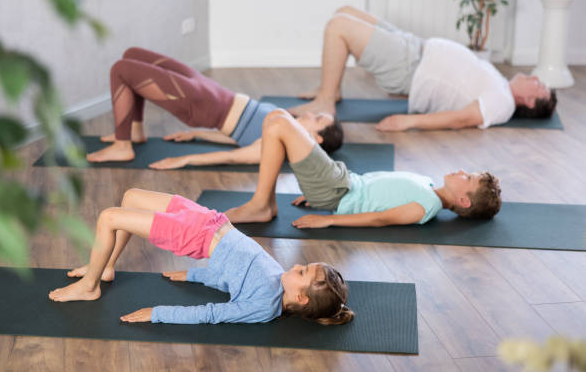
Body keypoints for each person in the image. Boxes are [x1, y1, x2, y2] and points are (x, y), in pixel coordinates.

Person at [48, 188, 354, 326]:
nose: (298, 266)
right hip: (210, 220)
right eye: (305, 266)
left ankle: (89, 286)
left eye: (303, 273)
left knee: (110, 217)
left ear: (301, 298)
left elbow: (210, 313)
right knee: (130, 197)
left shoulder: (263, 306)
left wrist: (157, 313)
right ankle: (106, 267)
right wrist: (194, 275)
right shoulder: (278, 276)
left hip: (195, 236)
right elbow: (232, 276)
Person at [290, 6, 557, 131]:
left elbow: (462, 118)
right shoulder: (502, 84)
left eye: (539, 85)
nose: (535, 78)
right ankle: (331, 89)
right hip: (415, 47)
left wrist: (409, 121)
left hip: (410, 67)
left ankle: (325, 101)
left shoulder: (503, 103)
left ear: (531, 101)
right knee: (346, 11)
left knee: (339, 26)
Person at [225, 110, 502, 227]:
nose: (462, 170)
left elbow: (379, 219)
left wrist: (329, 219)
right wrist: (317, 192)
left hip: (337, 191)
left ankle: (261, 205)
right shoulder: (427, 184)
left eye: (468, 177)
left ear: (463, 200)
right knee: (277, 118)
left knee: (279, 124)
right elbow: (375, 187)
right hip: (338, 182)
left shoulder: (426, 205)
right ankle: (264, 203)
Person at [87, 47, 343, 169]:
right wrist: (197, 135)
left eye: (318, 118)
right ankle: (134, 131)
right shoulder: (287, 124)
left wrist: (186, 158)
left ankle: (123, 146)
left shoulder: (282, 145)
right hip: (209, 90)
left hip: (200, 103)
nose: (310, 113)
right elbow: (238, 138)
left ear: (317, 137)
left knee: (121, 70)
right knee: (132, 54)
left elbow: (236, 156)